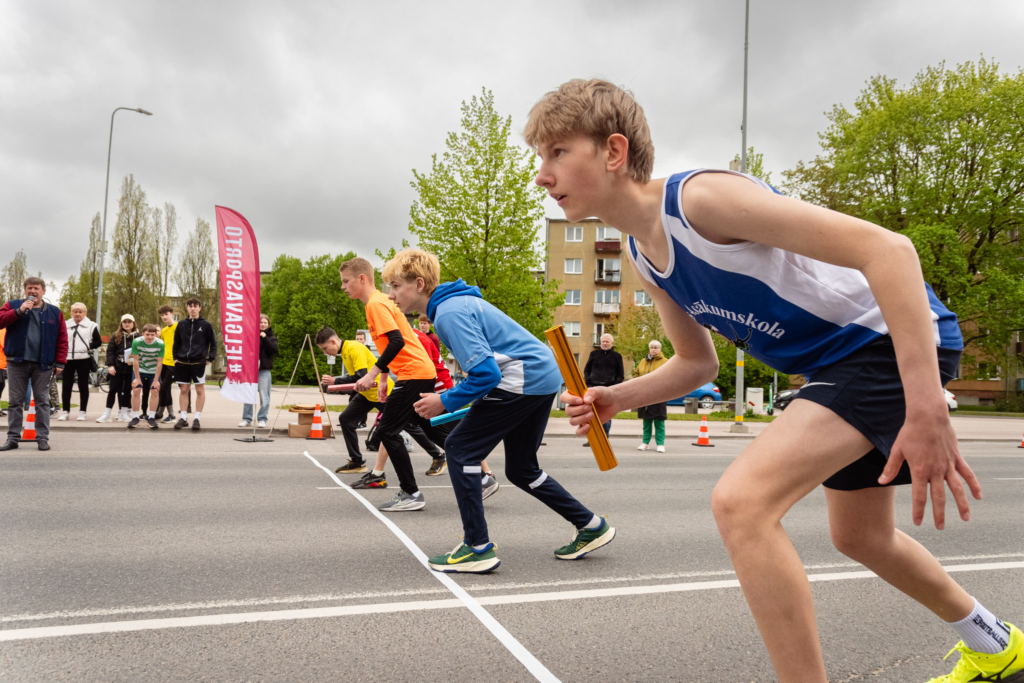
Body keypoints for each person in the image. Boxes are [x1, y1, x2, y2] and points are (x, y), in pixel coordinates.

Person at [531, 79, 1019, 681]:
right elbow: (697, 364)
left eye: (557, 153)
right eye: (539, 157)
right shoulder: (640, 252)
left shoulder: (699, 201)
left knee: (743, 504)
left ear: (612, 151)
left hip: (887, 343)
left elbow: (891, 251)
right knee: (862, 538)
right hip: (838, 365)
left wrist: (926, 408)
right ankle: (999, 644)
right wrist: (617, 398)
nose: (541, 175)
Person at [384, 248, 615, 573]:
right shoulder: (453, 305)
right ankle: (591, 525)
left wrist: (445, 400)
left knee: (458, 448)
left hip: (523, 378)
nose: (390, 295)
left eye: (395, 286)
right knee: (521, 469)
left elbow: (487, 374)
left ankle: (476, 547)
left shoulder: (449, 312)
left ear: (419, 283)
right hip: (541, 376)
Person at [338, 256, 454, 512]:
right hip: (416, 371)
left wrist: (371, 374)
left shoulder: (376, 305)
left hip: (413, 372)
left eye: (346, 281)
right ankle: (476, 468)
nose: (343, 287)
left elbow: (396, 342)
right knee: (426, 425)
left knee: (387, 432)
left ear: (362, 278)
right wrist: (381, 379)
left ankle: (411, 493)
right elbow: (394, 343)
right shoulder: (379, 302)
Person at [315, 326, 393, 479]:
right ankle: (357, 462)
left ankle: (437, 455)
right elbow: (356, 379)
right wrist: (335, 384)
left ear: (333, 341)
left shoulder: (354, 348)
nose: (325, 352)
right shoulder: (345, 351)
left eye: (325, 348)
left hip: (382, 393)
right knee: (346, 419)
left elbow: (360, 377)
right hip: (366, 394)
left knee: (411, 425)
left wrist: (335, 381)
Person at [0, 277, 67, 451]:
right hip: (17, 362)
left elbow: (62, 338)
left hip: (43, 364)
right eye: (30, 288)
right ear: (25, 290)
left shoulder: (54, 312)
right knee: (15, 402)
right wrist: (18, 311)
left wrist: (60, 360)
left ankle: (42, 438)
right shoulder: (12, 305)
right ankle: (13, 438)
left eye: (36, 288)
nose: (33, 291)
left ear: (43, 291)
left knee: (42, 401)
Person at [173, 298, 217, 431]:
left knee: (199, 390)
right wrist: (175, 358)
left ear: (199, 308)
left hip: (198, 362)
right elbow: (176, 343)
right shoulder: (181, 324)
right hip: (182, 362)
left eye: (195, 306)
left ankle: (197, 418)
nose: (193, 308)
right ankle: (183, 418)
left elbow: (213, 343)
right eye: (190, 306)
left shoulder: (206, 325)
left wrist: (211, 357)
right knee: (184, 389)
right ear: (187, 308)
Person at [59, 302, 101, 421]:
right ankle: (65, 411)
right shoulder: (65, 324)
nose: (77, 314)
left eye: (80, 311)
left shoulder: (92, 325)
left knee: (83, 385)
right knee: (66, 386)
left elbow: (98, 342)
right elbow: (60, 339)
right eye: (75, 311)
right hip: (67, 359)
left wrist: (87, 345)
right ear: (71, 313)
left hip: (84, 359)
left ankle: (82, 411)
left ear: (85, 313)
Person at [97, 314, 139, 423]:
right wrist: (110, 365)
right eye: (125, 322)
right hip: (117, 366)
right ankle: (107, 414)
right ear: (121, 324)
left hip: (131, 367)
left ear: (133, 323)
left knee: (127, 390)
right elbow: (110, 351)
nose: (127, 324)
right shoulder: (116, 336)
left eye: (129, 322)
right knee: (113, 390)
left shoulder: (138, 337)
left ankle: (123, 413)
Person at [582, 332, 623, 444]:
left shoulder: (617, 356)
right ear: (600, 343)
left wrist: (613, 387)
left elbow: (621, 375)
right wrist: (588, 383)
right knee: (591, 414)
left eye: (607, 342)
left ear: (612, 343)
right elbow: (586, 370)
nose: (605, 343)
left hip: (608, 390)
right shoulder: (593, 354)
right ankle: (592, 439)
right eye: (603, 341)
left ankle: (604, 438)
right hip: (593, 388)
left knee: (605, 414)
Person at [240, 314, 278, 428]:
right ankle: (246, 418)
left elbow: (273, 350)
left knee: (264, 395)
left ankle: (262, 418)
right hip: (251, 370)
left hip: (264, 370)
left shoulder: (271, 337)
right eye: (261, 322)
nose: (263, 324)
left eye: (265, 323)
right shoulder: (251, 335)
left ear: (268, 324)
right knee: (248, 395)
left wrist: (264, 337)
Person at [632, 340, 668, 453]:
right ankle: (645, 442)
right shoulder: (643, 361)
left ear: (660, 349)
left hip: (659, 395)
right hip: (644, 394)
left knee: (659, 421)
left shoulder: (666, 362)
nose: (653, 349)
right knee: (646, 420)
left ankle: (661, 444)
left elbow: (669, 377)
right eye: (652, 347)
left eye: (656, 347)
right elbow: (636, 374)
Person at [128, 323, 164, 429]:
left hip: (154, 371)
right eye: (147, 334)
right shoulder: (137, 342)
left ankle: (151, 418)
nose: (150, 337)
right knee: (136, 390)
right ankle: (135, 418)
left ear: (156, 335)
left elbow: (159, 363)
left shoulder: (160, 344)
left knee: (154, 390)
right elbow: (135, 360)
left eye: (152, 335)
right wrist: (137, 378)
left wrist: (156, 380)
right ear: (143, 333)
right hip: (140, 369)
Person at [155, 306, 179, 423]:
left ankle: (163, 412)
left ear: (172, 314)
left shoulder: (179, 327)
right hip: (163, 363)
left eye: (166, 314)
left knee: (163, 388)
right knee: (166, 389)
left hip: (174, 364)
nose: (164, 317)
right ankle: (168, 414)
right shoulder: (163, 331)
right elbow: (163, 347)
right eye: (162, 315)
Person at [0, 328, 7, 417]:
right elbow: (6, 346)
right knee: (1, 384)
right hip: (0, 364)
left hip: (1, 364)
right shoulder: (3, 331)